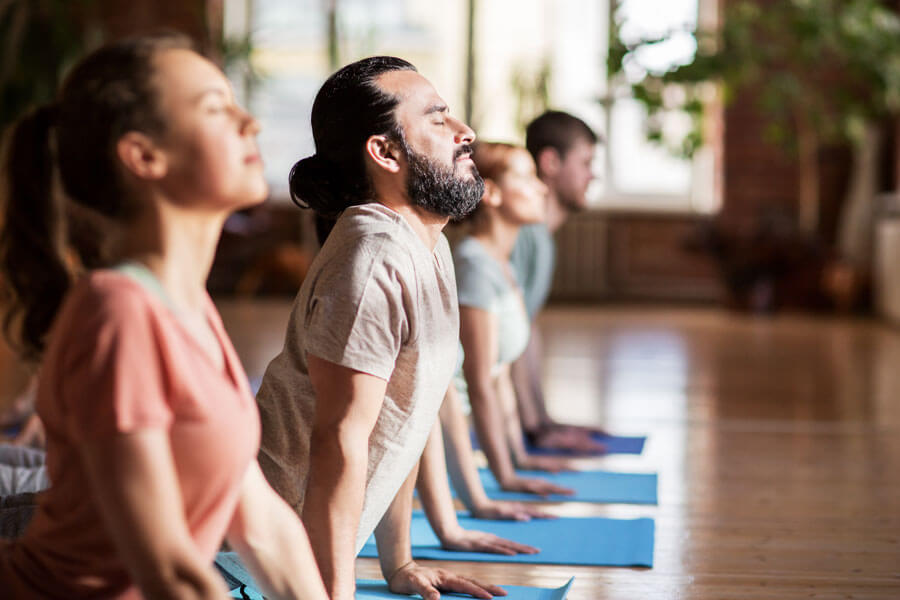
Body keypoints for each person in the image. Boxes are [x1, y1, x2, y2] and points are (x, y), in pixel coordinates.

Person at [0, 32, 327, 599]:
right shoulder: (117, 312)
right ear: (144, 156)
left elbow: (264, 526)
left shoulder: (189, 305)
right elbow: (167, 567)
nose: (250, 122)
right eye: (215, 109)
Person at [255, 56, 513, 600]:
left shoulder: (427, 243)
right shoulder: (372, 261)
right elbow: (339, 442)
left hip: (288, 560)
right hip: (243, 564)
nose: (466, 132)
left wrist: (398, 562)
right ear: (385, 152)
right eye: (438, 119)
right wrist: (335, 594)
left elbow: (402, 420)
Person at [451, 142, 577, 496]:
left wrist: (519, 458)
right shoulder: (475, 266)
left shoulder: (502, 263)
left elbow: (500, 376)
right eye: (526, 178)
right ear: (491, 193)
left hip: (462, 429)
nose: (541, 189)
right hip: (442, 430)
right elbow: (479, 385)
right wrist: (504, 478)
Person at [510, 110, 609, 453]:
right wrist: (534, 432)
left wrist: (544, 421)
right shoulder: (523, 234)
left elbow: (526, 331)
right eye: (586, 163)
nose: (592, 175)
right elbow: (504, 339)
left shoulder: (540, 236)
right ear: (550, 162)